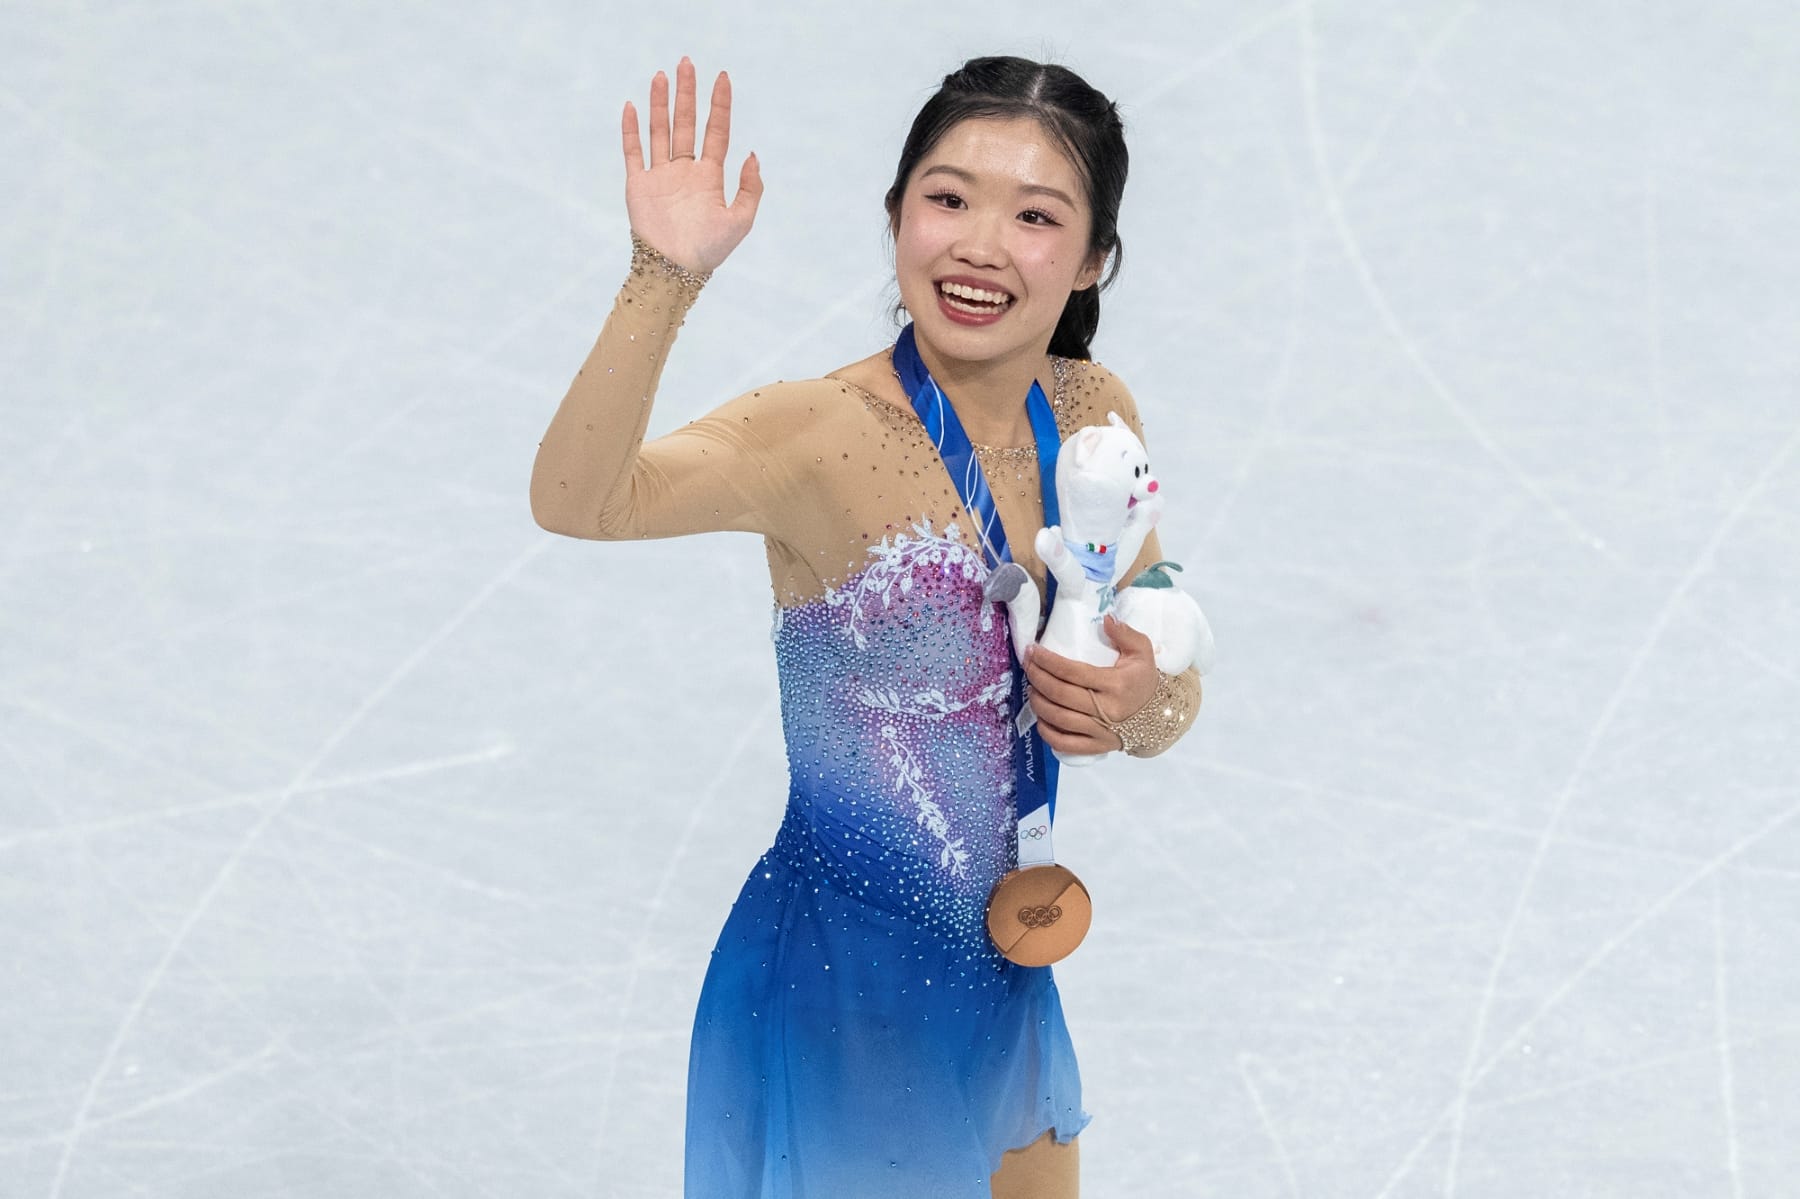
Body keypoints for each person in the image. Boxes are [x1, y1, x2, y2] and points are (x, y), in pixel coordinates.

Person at [531, 53, 1201, 1199]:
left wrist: (1140, 701)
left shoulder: (1093, 417)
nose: (980, 245)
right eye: (948, 198)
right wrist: (661, 277)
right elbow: (579, 500)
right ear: (897, 215)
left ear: (1094, 258)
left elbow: (1165, 676)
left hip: (1004, 979)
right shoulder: (818, 434)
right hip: (842, 998)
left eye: (1035, 216)